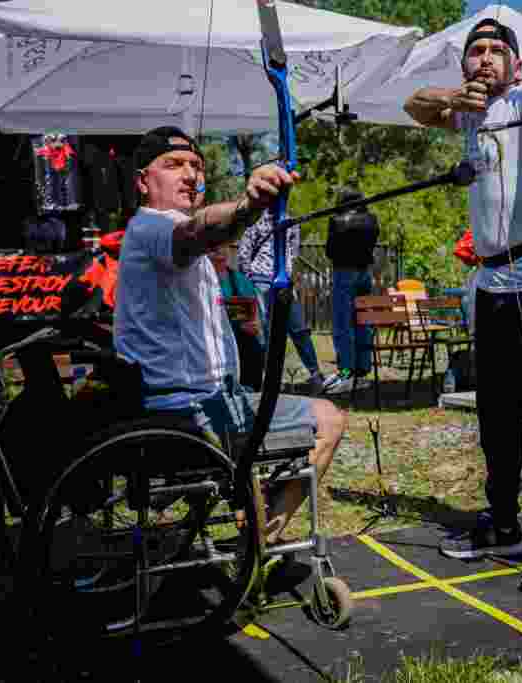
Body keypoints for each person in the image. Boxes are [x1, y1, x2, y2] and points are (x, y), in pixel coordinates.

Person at [404, 17, 522, 592]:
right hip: (491, 284)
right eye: (476, 51)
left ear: (516, 62)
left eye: (496, 51)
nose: (485, 59)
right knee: (497, 415)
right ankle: (505, 525)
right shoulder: (467, 112)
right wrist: (455, 99)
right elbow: (414, 103)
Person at [114, 125, 346, 548]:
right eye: (173, 165)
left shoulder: (160, 235)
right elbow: (195, 232)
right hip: (191, 415)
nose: (189, 175)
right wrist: (248, 205)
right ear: (143, 182)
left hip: (205, 404)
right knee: (329, 418)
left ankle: (253, 526)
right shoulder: (153, 228)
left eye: (196, 166)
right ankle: (262, 540)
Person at [238, 214, 326, 394]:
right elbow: (244, 252)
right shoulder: (256, 218)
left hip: (283, 281)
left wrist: (287, 274)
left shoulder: (291, 222)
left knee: (299, 329)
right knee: (263, 331)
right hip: (260, 279)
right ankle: (264, 379)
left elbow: (292, 252)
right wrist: (249, 279)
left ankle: (315, 375)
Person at [323, 189, 379, 396]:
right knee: (363, 321)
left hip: (343, 272)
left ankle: (346, 372)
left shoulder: (337, 221)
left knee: (342, 323)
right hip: (365, 272)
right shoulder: (372, 220)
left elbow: (330, 250)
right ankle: (362, 371)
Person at [208, 242, 264, 392]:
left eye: (222, 242)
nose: (218, 247)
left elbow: (255, 324)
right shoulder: (197, 281)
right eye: (213, 242)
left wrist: (254, 326)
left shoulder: (241, 281)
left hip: (239, 347)